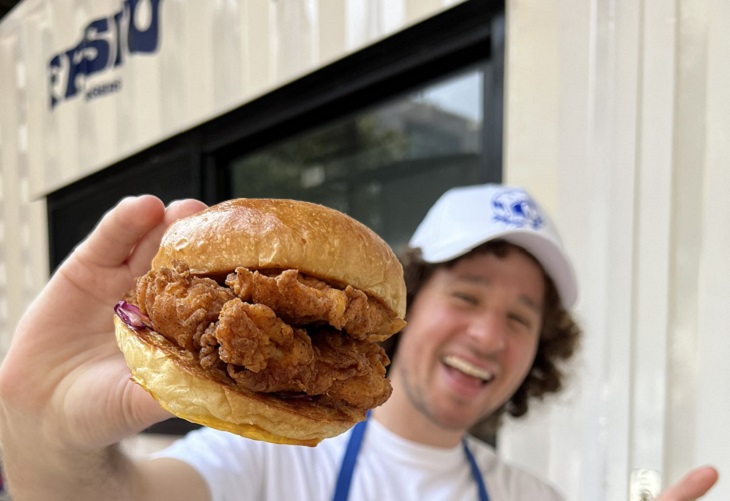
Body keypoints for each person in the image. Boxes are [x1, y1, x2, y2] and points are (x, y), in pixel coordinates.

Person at [0, 185, 718, 500]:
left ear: (541, 351)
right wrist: (40, 428)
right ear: (404, 302)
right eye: (466, 295)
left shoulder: (533, 495)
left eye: (522, 318)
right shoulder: (267, 452)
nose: (487, 333)